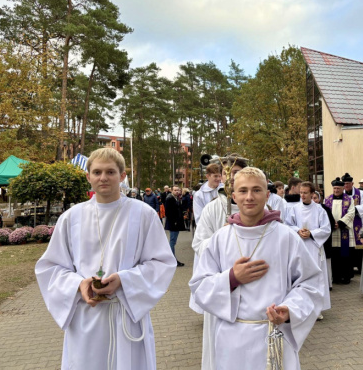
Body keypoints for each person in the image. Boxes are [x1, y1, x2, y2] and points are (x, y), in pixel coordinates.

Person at [35, 148, 176, 370]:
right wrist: (79, 284)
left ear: (122, 176)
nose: (103, 178)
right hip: (85, 315)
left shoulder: (143, 214)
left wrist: (124, 280)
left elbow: (162, 263)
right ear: (88, 176)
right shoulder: (71, 218)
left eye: (110, 172)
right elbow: (50, 267)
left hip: (125, 315)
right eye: (97, 172)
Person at [189, 167, 324, 370]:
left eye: (257, 190)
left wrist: (289, 310)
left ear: (268, 195)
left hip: (273, 334)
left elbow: (311, 283)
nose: (249, 197)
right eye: (243, 191)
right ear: (233, 195)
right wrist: (232, 278)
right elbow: (199, 286)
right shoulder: (221, 238)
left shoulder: (286, 237)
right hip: (231, 340)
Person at [191, 154, 248, 370]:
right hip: (222, 284)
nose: (231, 177)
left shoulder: (257, 206)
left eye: (235, 173)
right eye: (226, 173)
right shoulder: (212, 209)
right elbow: (198, 244)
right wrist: (221, 237)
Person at [285, 181, 331, 317]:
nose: (302, 195)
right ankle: (301, 308)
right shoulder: (294, 209)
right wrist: (298, 230)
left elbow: (326, 229)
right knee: (301, 278)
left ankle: (317, 309)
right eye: (301, 193)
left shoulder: (319, 210)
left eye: (305, 193)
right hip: (299, 247)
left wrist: (311, 233)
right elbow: (287, 225)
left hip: (313, 247)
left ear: (312, 194)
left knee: (315, 278)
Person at [324, 177, 356, 284]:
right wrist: (332, 224)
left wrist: (341, 223)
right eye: (334, 188)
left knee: (345, 255)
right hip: (332, 231)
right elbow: (324, 214)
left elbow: (351, 213)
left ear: (342, 188)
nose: (336, 190)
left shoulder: (349, 199)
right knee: (335, 255)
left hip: (344, 230)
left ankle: (346, 276)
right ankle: (336, 277)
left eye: (338, 188)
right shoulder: (327, 200)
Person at [342, 173, 363, 273]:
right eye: (344, 184)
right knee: (347, 245)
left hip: (357, 221)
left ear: (352, 183)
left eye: (348, 183)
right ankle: (349, 268)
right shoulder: (342, 193)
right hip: (346, 222)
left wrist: (354, 209)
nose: (346, 186)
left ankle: (361, 267)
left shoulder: (360, 193)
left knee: (358, 246)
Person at [313, 191, 336, 292]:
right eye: (312, 198)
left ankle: (328, 283)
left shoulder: (325, 209)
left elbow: (330, 224)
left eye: (316, 198)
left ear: (319, 199)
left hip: (324, 240)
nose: (314, 200)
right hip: (312, 240)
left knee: (326, 262)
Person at [165, 185, 186, 267]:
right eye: (175, 190)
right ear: (172, 191)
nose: (177, 191)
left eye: (178, 190)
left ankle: (171, 259)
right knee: (172, 241)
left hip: (176, 223)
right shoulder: (170, 198)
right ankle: (172, 259)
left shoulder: (176, 198)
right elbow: (168, 212)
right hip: (173, 223)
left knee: (173, 241)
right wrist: (174, 221)